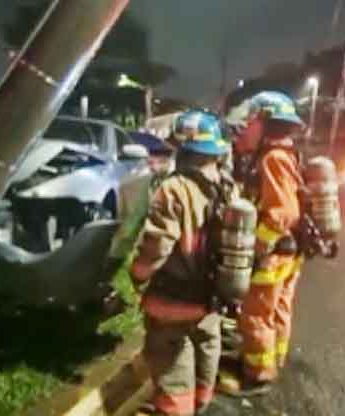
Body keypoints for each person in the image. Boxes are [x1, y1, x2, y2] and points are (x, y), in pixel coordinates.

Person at [130, 110, 237, 416]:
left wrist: (137, 275)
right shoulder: (229, 187)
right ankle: (200, 404)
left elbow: (157, 246)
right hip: (212, 300)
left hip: (173, 301)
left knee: (172, 363)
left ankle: (175, 411)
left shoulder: (174, 189)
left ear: (183, 147)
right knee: (206, 349)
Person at [219, 91, 307, 396]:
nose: (245, 127)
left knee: (255, 314)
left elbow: (284, 213)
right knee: (277, 310)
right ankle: (273, 359)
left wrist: (255, 247)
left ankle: (256, 374)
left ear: (266, 124)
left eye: (251, 121)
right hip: (289, 251)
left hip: (272, 253)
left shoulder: (273, 158)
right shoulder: (286, 153)